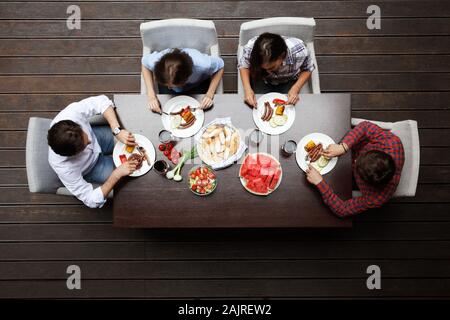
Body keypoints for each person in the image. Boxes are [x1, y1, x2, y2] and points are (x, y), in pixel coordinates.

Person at [47, 95, 138, 208]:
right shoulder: (64, 168)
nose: (89, 141)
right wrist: (116, 175)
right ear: (73, 154)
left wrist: (116, 130)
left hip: (98, 137)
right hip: (93, 168)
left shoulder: (70, 115)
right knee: (134, 176)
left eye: (85, 136)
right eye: (85, 145)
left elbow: (101, 101)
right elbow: (91, 200)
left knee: (135, 137)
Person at [305, 121, 405, 217]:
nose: (356, 160)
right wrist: (343, 147)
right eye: (362, 157)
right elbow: (365, 126)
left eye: (358, 166)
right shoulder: (392, 143)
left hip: (345, 175)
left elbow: (342, 210)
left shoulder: (376, 198)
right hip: (351, 144)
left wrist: (319, 182)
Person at [238, 32, 315, 108]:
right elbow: (244, 65)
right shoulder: (250, 49)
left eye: (271, 67)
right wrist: (247, 89)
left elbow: (308, 68)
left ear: (282, 55)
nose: (267, 71)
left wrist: (296, 88)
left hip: (290, 81)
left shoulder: (300, 52)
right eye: (263, 68)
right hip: (261, 80)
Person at [141, 48, 225, 113]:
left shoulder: (203, 64)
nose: (169, 88)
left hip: (197, 84)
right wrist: (151, 95)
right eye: (168, 85)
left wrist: (209, 94)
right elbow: (144, 64)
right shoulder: (155, 60)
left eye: (172, 85)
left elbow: (220, 66)